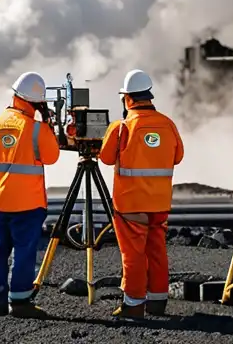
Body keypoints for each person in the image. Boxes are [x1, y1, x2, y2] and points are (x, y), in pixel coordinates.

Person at [99, 69, 184, 320]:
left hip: (131, 205)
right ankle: (157, 302)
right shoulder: (168, 124)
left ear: (127, 99)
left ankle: (134, 305)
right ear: (149, 96)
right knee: (156, 251)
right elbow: (177, 157)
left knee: (133, 256)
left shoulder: (122, 127)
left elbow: (105, 157)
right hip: (159, 203)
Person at [0, 71, 61, 318]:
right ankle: (19, 302)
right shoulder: (37, 130)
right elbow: (53, 156)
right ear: (36, 102)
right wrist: (48, 123)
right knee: (24, 252)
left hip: (0, 202)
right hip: (28, 204)